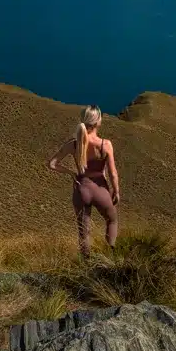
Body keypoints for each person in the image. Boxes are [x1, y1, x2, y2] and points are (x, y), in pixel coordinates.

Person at [46, 104, 120, 258]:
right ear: (98, 122)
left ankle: (86, 264)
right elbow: (113, 173)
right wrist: (116, 191)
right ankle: (112, 257)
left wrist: (72, 173)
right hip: (100, 189)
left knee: (83, 231)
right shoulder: (105, 145)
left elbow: (52, 164)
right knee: (112, 220)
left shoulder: (73, 144)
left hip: (81, 188)